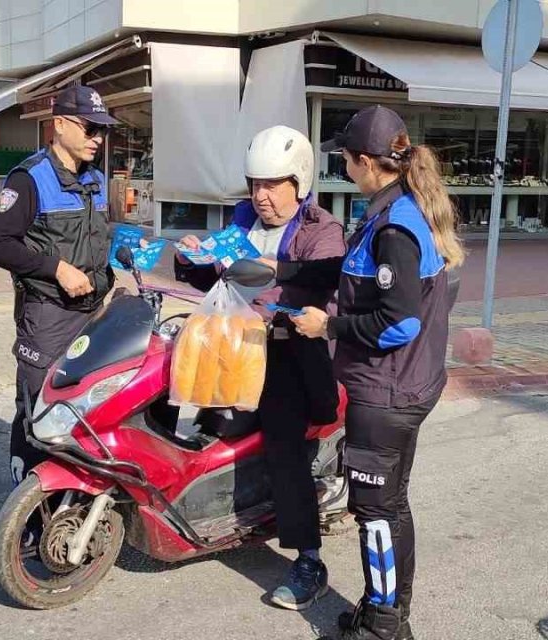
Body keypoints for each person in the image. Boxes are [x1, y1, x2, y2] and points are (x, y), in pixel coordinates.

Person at [289, 106, 465, 640]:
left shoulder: (396, 227)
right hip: (406, 384)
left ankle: (385, 626)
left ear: (366, 161)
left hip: (388, 392)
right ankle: (382, 607)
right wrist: (284, 270)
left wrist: (328, 326)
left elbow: (400, 322)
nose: (343, 168)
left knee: (375, 512)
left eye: (345, 159)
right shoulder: (401, 208)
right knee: (390, 503)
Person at [174, 125, 345, 611]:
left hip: (290, 351)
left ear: (300, 181)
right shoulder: (242, 218)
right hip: (234, 343)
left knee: (283, 446)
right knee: (195, 416)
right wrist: (192, 257)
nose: (260, 195)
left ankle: (309, 560)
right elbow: (216, 275)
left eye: (272, 185)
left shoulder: (321, 228)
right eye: (255, 184)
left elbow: (324, 277)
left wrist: (274, 272)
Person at [0, 85, 120, 486]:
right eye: (89, 128)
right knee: (38, 408)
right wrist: (57, 269)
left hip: (93, 314)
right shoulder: (29, 179)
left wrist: (126, 253)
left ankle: (73, 497)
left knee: (83, 405)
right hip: (47, 316)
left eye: (101, 130)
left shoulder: (96, 179)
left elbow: (96, 239)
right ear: (59, 124)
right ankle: (25, 504)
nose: (97, 139)